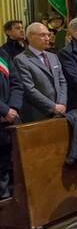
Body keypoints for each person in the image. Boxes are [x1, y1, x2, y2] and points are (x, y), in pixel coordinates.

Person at [13, 23, 67, 123]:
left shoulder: (53, 56)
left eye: (48, 35)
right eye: (42, 35)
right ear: (30, 37)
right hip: (37, 114)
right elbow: (29, 89)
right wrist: (52, 106)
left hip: (60, 111)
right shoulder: (21, 60)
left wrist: (62, 103)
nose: (47, 38)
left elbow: (62, 81)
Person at [0, 49, 23, 200]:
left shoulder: (3, 54)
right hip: (4, 113)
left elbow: (16, 83)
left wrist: (13, 108)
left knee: (6, 161)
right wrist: (4, 110)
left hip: (9, 118)